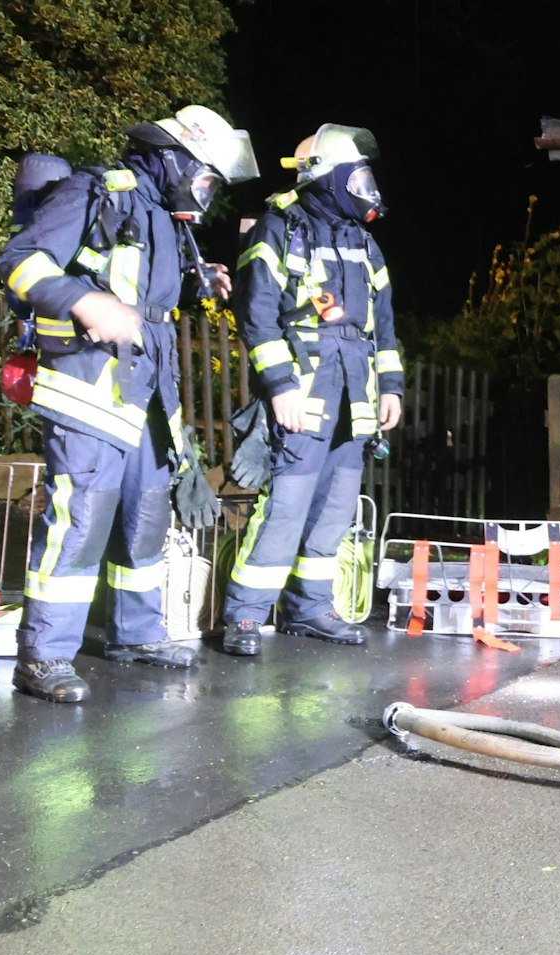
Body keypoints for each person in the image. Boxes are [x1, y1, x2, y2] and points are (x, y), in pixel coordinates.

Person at [0, 105, 258, 703]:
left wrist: (201, 280)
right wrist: (83, 302)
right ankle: (45, 655)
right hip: (90, 387)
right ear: (174, 159)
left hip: (146, 392)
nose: (207, 191)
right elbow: (19, 261)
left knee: (145, 515)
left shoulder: (166, 217)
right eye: (207, 176)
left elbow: (146, 286)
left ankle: (134, 635)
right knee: (81, 520)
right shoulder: (95, 191)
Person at [219, 124, 404, 657]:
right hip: (305, 392)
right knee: (286, 505)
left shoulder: (364, 243)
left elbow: (385, 327)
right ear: (329, 177)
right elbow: (257, 316)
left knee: (335, 509)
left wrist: (390, 387)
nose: (366, 185)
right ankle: (246, 616)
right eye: (357, 175)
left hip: (357, 399)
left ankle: (311, 609)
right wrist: (279, 387)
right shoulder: (280, 228)